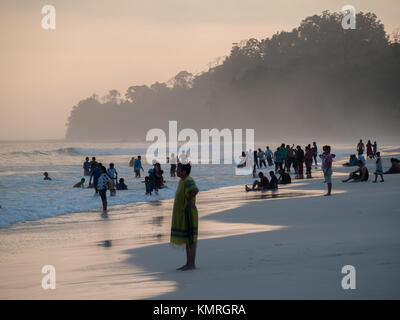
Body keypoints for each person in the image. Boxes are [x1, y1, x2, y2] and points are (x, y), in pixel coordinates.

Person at [171, 163, 199, 271]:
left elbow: (195, 190)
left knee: (191, 240)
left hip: (189, 213)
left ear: (184, 172)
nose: (177, 171)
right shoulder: (182, 181)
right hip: (184, 213)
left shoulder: (188, 180)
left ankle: (192, 264)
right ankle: (188, 263)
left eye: (179, 169)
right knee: (188, 239)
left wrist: (188, 201)